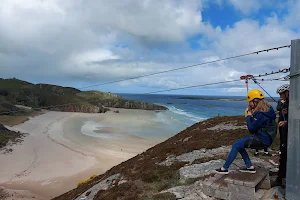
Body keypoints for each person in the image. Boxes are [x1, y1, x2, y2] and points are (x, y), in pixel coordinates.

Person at [216, 89, 276, 174]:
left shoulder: (260, 114)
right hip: (265, 138)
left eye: (249, 102)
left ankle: (224, 169)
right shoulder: (267, 110)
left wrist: (249, 115)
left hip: (262, 139)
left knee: (237, 145)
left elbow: (251, 129)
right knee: (239, 144)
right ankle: (249, 167)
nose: (248, 104)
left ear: (254, 102)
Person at [275, 84, 289, 186]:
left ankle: (281, 179)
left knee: (284, 157)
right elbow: (279, 109)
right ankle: (281, 178)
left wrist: (287, 122)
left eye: (281, 94)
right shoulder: (284, 103)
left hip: (288, 135)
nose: (280, 96)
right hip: (284, 134)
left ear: (287, 93)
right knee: (283, 156)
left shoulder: (292, 103)